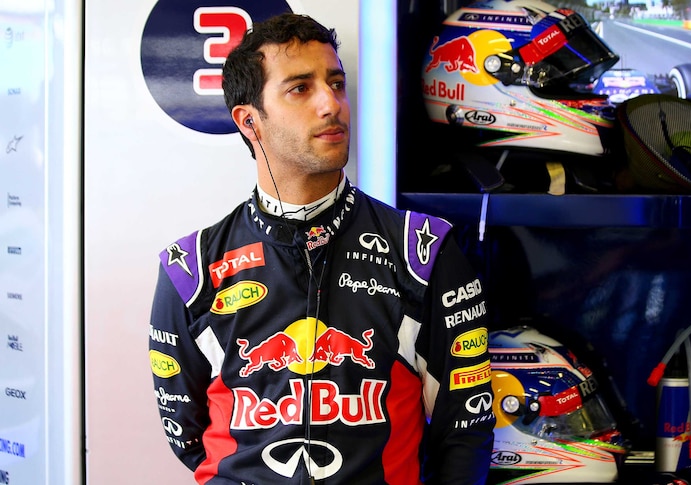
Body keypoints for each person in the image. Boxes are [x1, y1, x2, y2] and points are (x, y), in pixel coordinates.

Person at [148, 11, 495, 485]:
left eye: (336, 83)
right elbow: (187, 436)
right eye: (300, 88)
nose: (331, 104)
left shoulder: (424, 252)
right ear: (250, 122)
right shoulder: (190, 268)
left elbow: (465, 433)